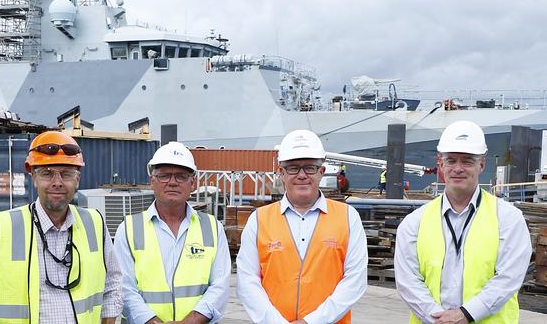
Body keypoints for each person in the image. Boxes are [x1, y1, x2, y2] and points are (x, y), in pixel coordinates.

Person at [0, 131, 123, 323]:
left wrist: (109, 318)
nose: (57, 182)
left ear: (77, 179)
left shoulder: (94, 223)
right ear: (33, 176)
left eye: (66, 174)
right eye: (47, 173)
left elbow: (113, 281)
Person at [394, 120, 531, 324]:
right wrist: (438, 318)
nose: (458, 168)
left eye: (467, 161)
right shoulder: (415, 222)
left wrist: (465, 314)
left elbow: (508, 278)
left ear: (481, 165)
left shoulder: (509, 219)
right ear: (440, 164)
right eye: (451, 160)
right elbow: (408, 281)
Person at [236, 129, 368, 323]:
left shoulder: (348, 217)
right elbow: (247, 281)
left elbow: (355, 281)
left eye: (310, 167)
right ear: (281, 173)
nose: (302, 175)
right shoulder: (259, 220)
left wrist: (312, 321)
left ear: (321, 172)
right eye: (293, 168)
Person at [113, 142, 231, 323]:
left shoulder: (212, 228)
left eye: (181, 176)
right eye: (164, 176)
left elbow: (220, 286)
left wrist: (191, 321)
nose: (173, 182)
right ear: (152, 181)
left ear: (193, 183)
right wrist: (151, 321)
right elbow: (124, 288)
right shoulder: (129, 229)